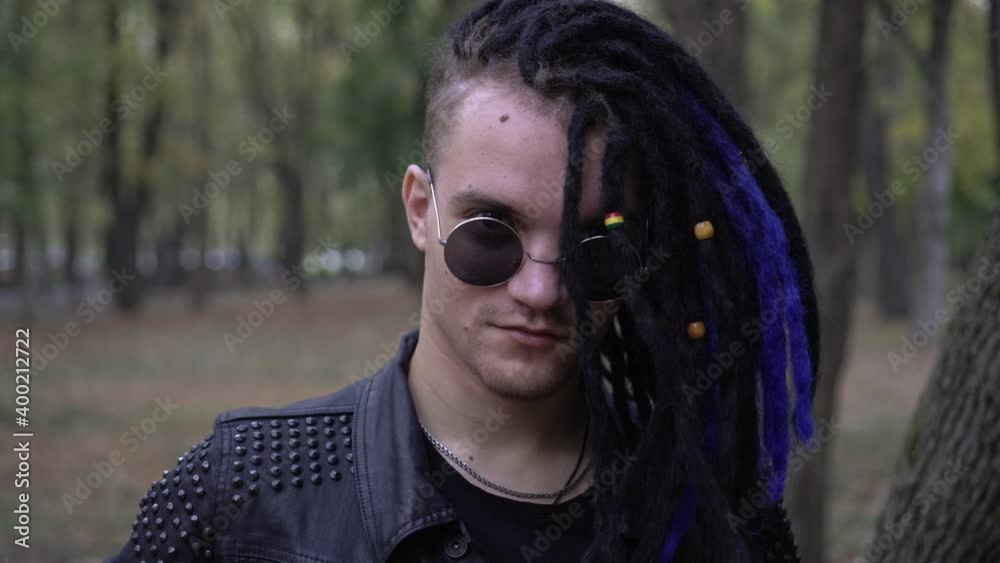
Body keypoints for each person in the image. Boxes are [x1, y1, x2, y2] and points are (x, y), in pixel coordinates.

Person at [108, 1, 819, 561]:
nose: (542, 292)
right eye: (491, 232)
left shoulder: (710, 505)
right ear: (422, 210)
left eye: (593, 250)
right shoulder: (239, 495)